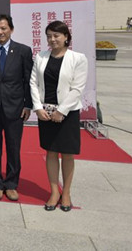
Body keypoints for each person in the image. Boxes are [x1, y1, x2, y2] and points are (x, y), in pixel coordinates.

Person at [30, 20, 88, 212]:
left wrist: (61, 111)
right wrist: (38, 108)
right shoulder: (41, 56)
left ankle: (67, 193)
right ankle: (54, 191)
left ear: (66, 37)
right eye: (49, 36)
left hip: (67, 114)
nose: (52, 39)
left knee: (67, 154)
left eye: (56, 35)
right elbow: (33, 83)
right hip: (45, 113)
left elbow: (77, 88)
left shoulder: (78, 58)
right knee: (51, 152)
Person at [0, 14, 33, 201]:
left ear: (11, 29)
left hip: (15, 108)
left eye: (4, 28)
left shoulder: (23, 51)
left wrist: (28, 104)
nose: (0, 32)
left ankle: (12, 184)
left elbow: (29, 80)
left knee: (13, 148)